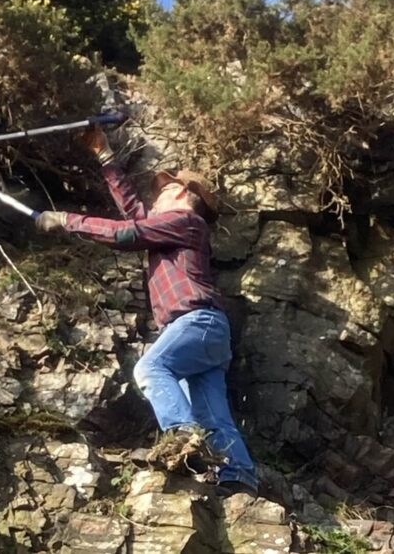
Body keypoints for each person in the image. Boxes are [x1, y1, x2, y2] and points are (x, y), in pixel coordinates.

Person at [35, 127, 259, 497]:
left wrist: (66, 220)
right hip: (209, 333)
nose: (156, 198)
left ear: (184, 194)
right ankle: (239, 478)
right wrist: (106, 157)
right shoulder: (179, 229)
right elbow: (136, 218)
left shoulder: (187, 222)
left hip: (196, 322)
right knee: (212, 414)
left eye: (164, 191)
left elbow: (127, 234)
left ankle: (184, 440)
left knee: (151, 368)